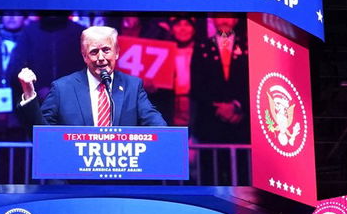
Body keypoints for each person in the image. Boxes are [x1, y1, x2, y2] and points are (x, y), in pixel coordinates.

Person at [16, 26, 167, 128]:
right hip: (74, 172)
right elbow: (40, 133)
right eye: (94, 52)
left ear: (117, 53)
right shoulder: (63, 88)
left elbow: (157, 126)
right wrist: (29, 93)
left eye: (106, 50)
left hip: (120, 172)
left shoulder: (132, 87)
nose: (101, 57)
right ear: (84, 56)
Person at [190, 15, 248, 143]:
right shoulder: (202, 47)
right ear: (213, 20)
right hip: (210, 121)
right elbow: (196, 85)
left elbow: (252, 83)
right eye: (219, 16)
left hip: (240, 121)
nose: (224, 20)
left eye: (229, 16)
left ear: (236, 20)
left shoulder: (247, 47)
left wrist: (237, 106)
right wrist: (219, 107)